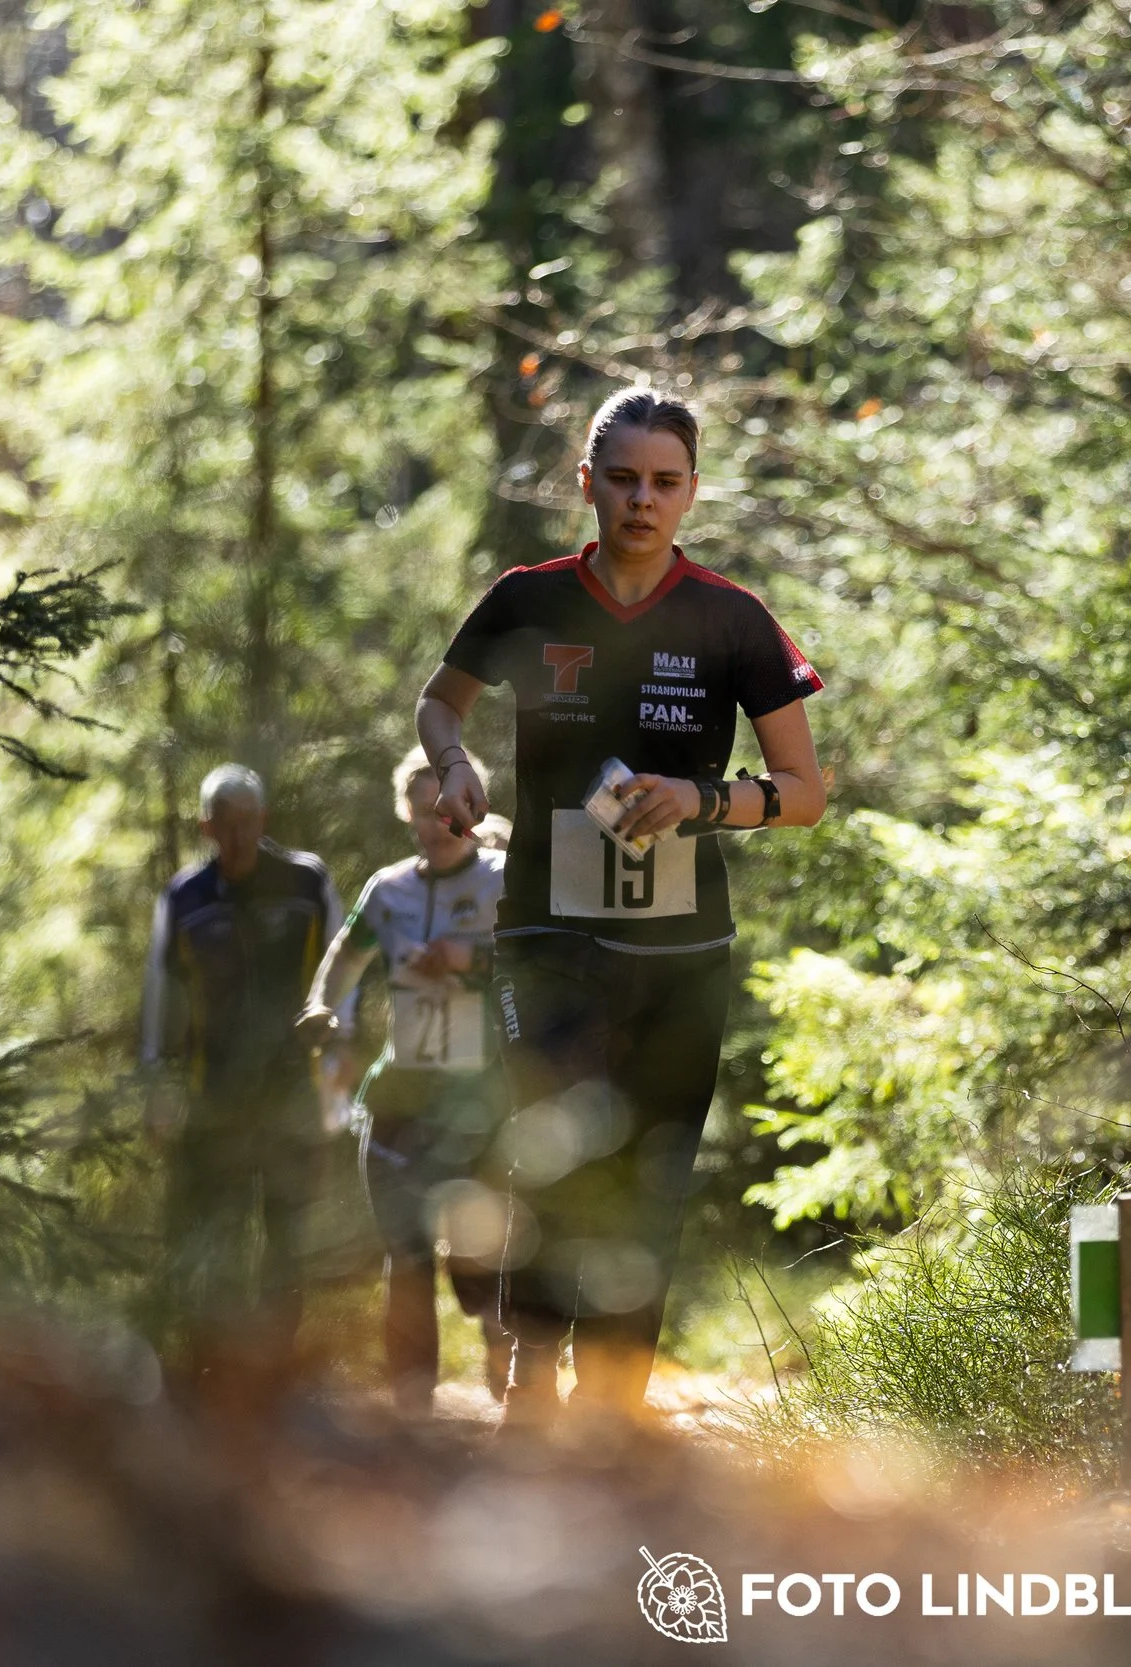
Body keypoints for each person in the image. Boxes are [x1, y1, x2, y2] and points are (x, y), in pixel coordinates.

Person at [413, 384, 827, 1420]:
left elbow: (807, 794)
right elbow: (438, 700)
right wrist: (454, 761)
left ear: (692, 493)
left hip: (682, 951)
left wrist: (703, 797)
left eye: (666, 482)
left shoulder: (730, 617)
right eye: (625, 478)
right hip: (548, 930)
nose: (643, 500)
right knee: (551, 1146)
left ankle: (611, 1408)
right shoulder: (526, 598)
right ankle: (532, 1388)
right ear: (585, 481)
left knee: (652, 1174)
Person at [298, 748, 513, 1416]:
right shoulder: (386, 890)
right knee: (406, 1247)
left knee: (481, 1256)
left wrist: (468, 958)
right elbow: (344, 957)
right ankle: (411, 1399)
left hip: (484, 1091)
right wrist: (320, 1005)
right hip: (406, 1089)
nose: (436, 820)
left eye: (446, 806)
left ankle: (506, 1353)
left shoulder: (508, 879)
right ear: (407, 813)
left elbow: (545, 961)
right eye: (422, 809)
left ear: (472, 805)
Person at [139, 763, 343, 1390]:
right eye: (224, 823)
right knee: (219, 1230)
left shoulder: (307, 883)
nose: (238, 834)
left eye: (249, 820)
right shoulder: (184, 896)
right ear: (206, 826)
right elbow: (160, 998)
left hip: (294, 1091)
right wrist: (157, 1089)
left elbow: (342, 981)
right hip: (212, 1096)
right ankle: (217, 1362)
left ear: (265, 820)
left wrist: (337, 1078)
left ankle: (276, 1363)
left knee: (286, 1233)